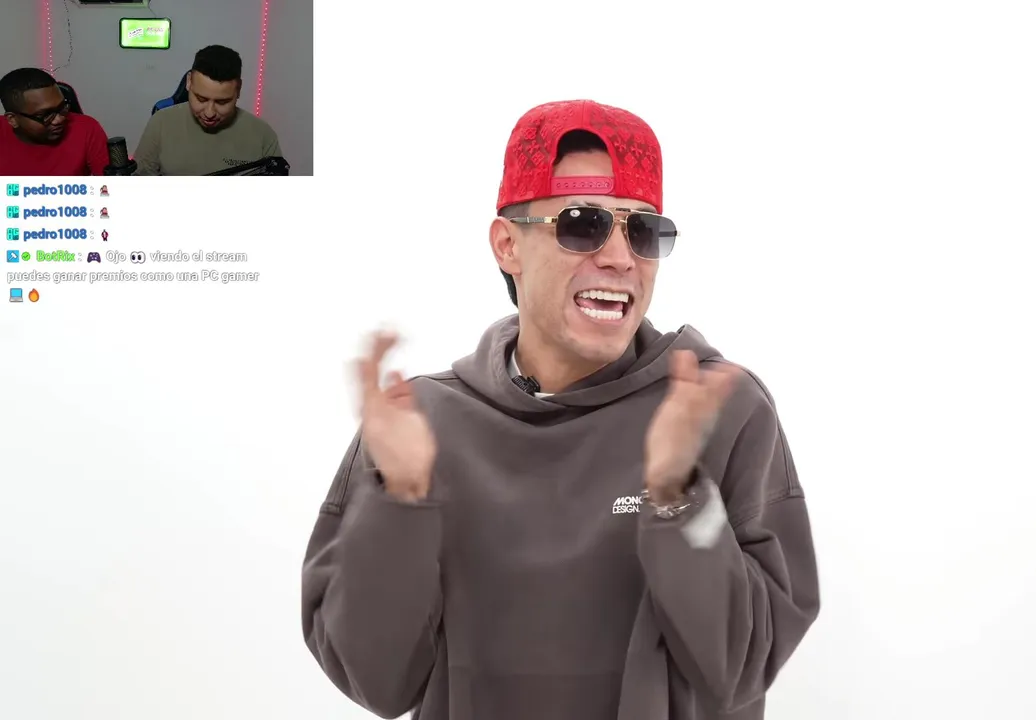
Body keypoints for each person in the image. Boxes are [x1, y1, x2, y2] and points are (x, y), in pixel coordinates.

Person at [301, 100, 821, 720]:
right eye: (582, 224)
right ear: (507, 245)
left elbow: (740, 668)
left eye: (643, 231)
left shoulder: (720, 411)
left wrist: (679, 498)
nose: (620, 258)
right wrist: (400, 504)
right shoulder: (421, 425)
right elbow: (376, 681)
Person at [134, 45, 281, 176]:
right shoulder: (161, 122)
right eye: (201, 99)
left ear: (238, 89)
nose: (209, 113)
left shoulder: (263, 135)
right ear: (189, 82)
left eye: (222, 102)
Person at [0, 68, 108, 176]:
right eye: (45, 115)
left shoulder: (87, 128)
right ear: (12, 119)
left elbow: (111, 184)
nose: (59, 119)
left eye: (62, 107)